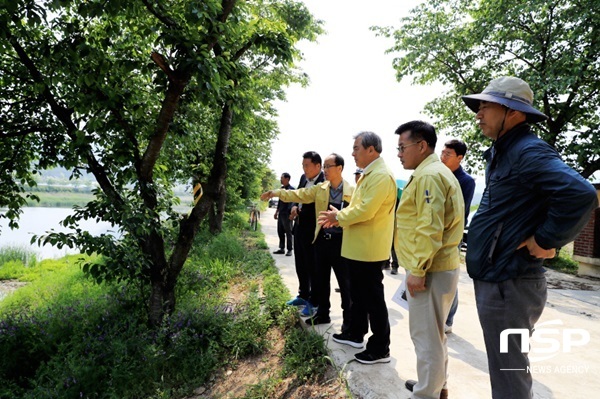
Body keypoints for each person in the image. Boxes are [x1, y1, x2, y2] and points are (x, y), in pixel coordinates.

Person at [462, 76, 598, 399]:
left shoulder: (528, 151)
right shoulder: (502, 151)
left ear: (512, 111)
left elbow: (580, 194)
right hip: (498, 278)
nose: (478, 115)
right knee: (505, 369)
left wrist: (546, 240)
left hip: (511, 282)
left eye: (485, 107)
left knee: (509, 374)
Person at [393, 121, 463, 399]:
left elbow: (429, 227)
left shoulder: (429, 176)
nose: (399, 153)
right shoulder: (434, 172)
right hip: (439, 265)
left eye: (402, 147)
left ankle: (426, 394)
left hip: (431, 268)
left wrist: (418, 269)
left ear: (421, 146)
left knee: (426, 338)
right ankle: (436, 386)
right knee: (435, 335)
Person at [318, 131, 396, 365]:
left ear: (371, 150)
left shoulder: (381, 176)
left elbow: (365, 210)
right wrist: (340, 216)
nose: (352, 153)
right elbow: (359, 207)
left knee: (373, 299)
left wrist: (338, 216)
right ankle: (355, 333)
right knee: (358, 296)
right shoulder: (369, 175)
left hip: (368, 249)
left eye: (356, 148)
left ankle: (380, 347)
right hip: (357, 247)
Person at [261, 154, 354, 329]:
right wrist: (276, 192)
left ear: (340, 168)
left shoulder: (352, 191)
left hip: (342, 243)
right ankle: (323, 314)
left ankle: (349, 324)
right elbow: (299, 193)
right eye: (324, 167)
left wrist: (340, 217)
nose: (325, 170)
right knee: (321, 280)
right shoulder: (320, 188)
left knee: (345, 284)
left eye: (328, 166)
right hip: (322, 240)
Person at [439, 139, 476, 333]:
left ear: (460, 158)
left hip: (452, 235)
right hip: (435, 232)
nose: (442, 157)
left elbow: (461, 211)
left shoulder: (466, 181)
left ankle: (448, 320)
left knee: (449, 276)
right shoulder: (437, 175)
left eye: (448, 154)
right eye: (442, 153)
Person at [285, 151, 324, 312]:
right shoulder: (303, 178)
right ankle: (303, 294)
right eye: (303, 165)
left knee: (312, 267)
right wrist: (294, 206)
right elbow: (297, 195)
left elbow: (316, 206)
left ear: (318, 166)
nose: (304, 169)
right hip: (299, 228)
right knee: (300, 263)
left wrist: (300, 211)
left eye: (307, 165)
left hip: (312, 231)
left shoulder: (324, 182)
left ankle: (314, 301)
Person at [273, 173, 295, 256]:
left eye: (282, 178)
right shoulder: (281, 189)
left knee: (288, 232)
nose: (281, 179)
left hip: (288, 214)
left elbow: (293, 202)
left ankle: (289, 249)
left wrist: (291, 213)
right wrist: (276, 212)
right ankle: (281, 248)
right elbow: (280, 202)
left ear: (287, 179)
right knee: (280, 231)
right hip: (281, 213)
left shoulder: (292, 189)